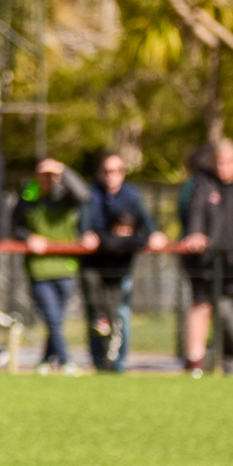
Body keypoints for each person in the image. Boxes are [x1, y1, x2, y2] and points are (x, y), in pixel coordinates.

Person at [79, 152, 167, 373]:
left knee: (120, 314)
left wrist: (155, 233)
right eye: (107, 171)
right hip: (94, 266)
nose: (112, 176)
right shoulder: (91, 194)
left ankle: (118, 362)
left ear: (123, 173)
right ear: (99, 173)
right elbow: (87, 227)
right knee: (97, 316)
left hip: (120, 266)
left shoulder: (131, 195)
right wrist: (89, 235)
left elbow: (148, 224)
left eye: (117, 171)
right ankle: (99, 362)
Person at [11, 158, 92, 375]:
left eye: (52, 174)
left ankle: (46, 360)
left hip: (65, 266)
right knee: (52, 317)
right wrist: (29, 237)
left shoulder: (64, 196)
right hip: (39, 268)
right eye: (43, 174)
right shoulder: (29, 195)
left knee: (55, 319)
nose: (48, 178)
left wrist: (63, 169)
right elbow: (14, 226)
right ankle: (66, 361)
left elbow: (84, 195)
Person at [179, 140, 233, 377]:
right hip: (205, 262)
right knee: (204, 306)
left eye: (226, 162)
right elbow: (195, 212)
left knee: (230, 308)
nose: (222, 167)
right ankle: (197, 362)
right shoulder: (203, 184)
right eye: (218, 162)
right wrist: (195, 233)